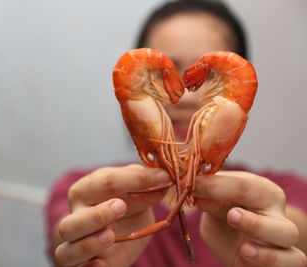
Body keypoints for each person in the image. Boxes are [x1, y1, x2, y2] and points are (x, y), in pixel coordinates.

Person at [46, 1, 307, 266]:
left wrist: (279, 242)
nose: (183, 99)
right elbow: (62, 236)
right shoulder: (78, 188)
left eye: (209, 76)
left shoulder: (289, 191)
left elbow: (299, 228)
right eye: (165, 72)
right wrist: (83, 243)